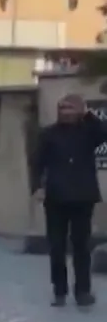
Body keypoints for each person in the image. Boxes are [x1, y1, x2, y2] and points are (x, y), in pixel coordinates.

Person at [29, 94, 107, 308]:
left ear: (79, 111)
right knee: (56, 247)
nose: (65, 113)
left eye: (70, 108)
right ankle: (59, 291)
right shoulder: (49, 134)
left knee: (82, 246)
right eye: (62, 108)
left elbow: (104, 133)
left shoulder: (89, 131)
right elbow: (37, 163)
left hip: (82, 197)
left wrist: (88, 114)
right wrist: (37, 187)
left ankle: (83, 291)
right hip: (56, 198)